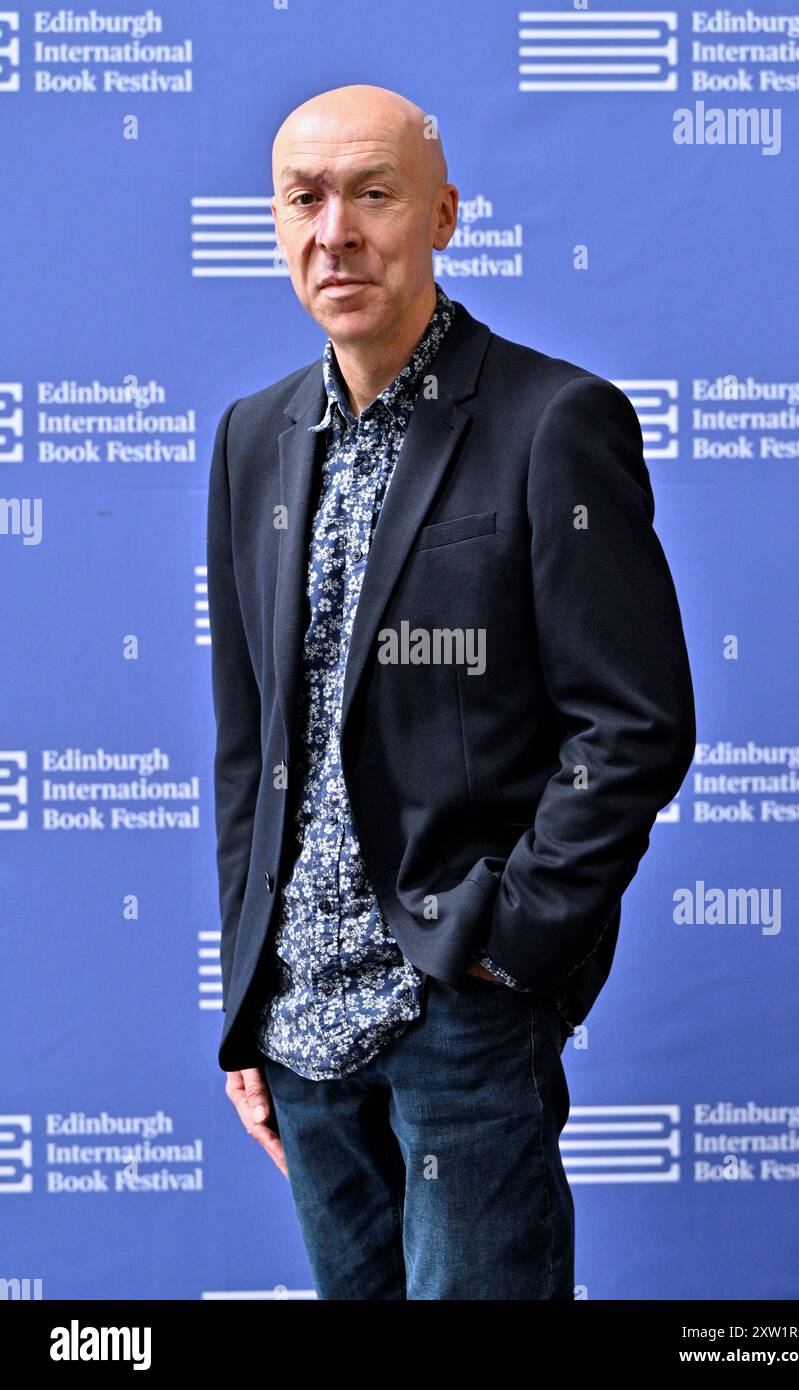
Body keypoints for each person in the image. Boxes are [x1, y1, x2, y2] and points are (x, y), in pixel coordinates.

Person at [206, 83, 696, 1300]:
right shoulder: (251, 436)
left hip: (459, 1016)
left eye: (373, 195)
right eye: (304, 200)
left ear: (443, 215)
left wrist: (509, 952)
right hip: (301, 1026)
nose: (337, 233)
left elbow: (633, 724)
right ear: (275, 223)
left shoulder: (552, 421)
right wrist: (247, 992)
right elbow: (250, 739)